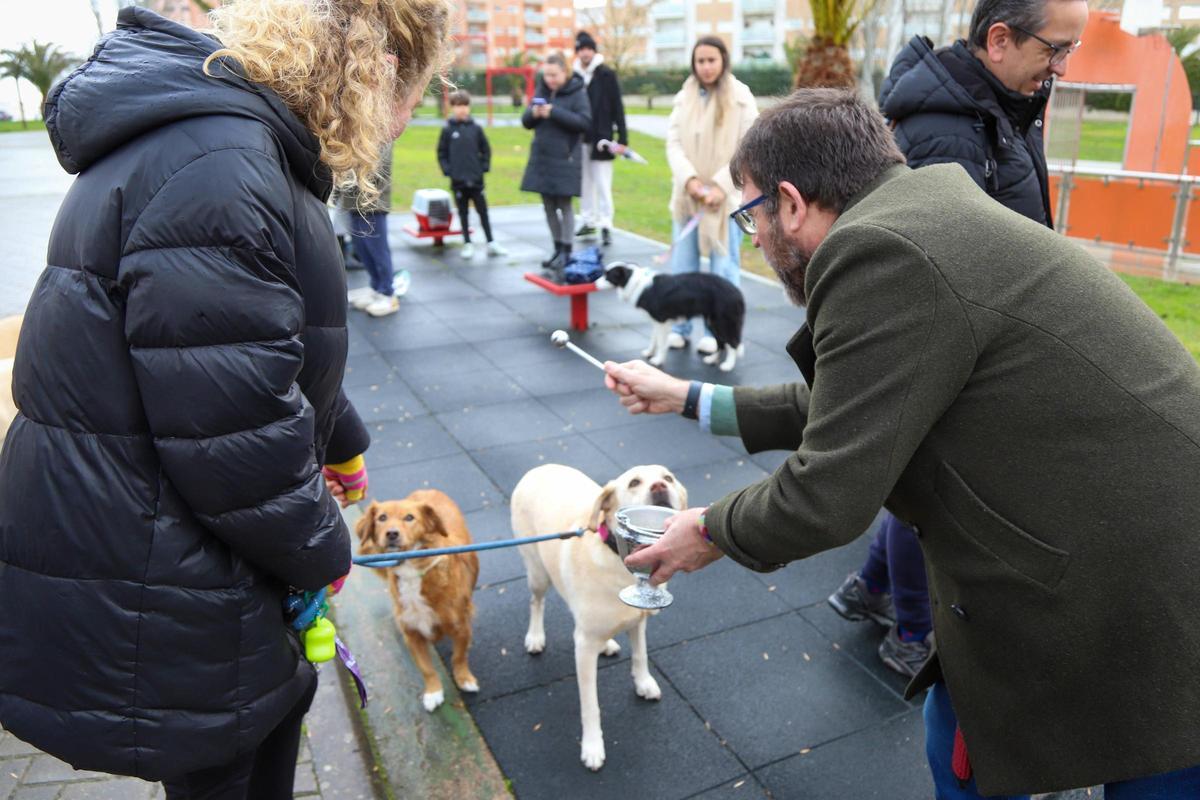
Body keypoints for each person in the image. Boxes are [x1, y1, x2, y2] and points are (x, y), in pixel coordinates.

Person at [603, 88, 1200, 798]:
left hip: (1143, 586)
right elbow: (861, 402)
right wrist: (690, 396)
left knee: (1137, 760)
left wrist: (704, 528)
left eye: (750, 213)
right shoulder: (920, 213)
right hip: (1123, 544)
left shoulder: (880, 251)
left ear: (790, 203)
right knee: (956, 733)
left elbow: (825, 498)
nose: (753, 236)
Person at [0, 1, 451, 797]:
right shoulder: (225, 166)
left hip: (167, 552)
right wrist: (324, 549)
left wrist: (341, 440)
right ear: (376, 69)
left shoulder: (228, 144)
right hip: (166, 571)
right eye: (414, 95)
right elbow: (230, 438)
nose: (405, 123)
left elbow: (244, 350)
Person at [827, 0, 1088, 679]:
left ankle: (870, 587)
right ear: (1000, 39)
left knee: (928, 479)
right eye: (1055, 49)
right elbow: (953, 269)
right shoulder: (948, 128)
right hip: (966, 345)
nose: (1060, 66)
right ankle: (911, 632)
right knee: (938, 499)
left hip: (992, 333)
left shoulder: (996, 103)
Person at [664, 36, 758, 358]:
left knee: (724, 270)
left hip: (726, 199)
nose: (705, 67)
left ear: (723, 61)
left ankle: (718, 331)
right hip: (688, 198)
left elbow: (748, 148)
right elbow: (673, 143)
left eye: (711, 60)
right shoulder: (683, 97)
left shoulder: (741, 98)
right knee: (682, 267)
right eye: (700, 61)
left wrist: (720, 185)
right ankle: (680, 327)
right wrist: (690, 181)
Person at [521, 51, 591, 275]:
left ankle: (567, 251)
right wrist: (535, 112)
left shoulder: (577, 92)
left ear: (565, 72)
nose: (549, 79)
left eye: (554, 75)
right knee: (548, 206)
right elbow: (525, 122)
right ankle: (557, 248)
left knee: (565, 205)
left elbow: (584, 122)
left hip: (565, 157)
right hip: (543, 157)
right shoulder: (542, 90)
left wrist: (554, 112)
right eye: (547, 74)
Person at [572, 30, 628, 248]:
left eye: (588, 49)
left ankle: (606, 223)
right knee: (584, 183)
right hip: (580, 138)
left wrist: (622, 137)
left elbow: (618, 107)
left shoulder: (606, 74)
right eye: (581, 49)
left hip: (602, 138)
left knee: (603, 183)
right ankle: (587, 220)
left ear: (593, 51)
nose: (585, 53)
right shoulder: (575, 76)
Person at [437, 89, 506, 260]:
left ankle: (491, 242)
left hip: (476, 180)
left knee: (483, 211)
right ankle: (467, 243)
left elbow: (486, 150)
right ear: (452, 107)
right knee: (463, 213)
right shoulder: (447, 130)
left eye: (465, 105)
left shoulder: (476, 129)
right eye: (458, 106)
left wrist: (483, 168)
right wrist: (448, 171)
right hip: (458, 181)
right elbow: (441, 153)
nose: (462, 109)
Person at [344, 146, 410, 317]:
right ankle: (377, 287)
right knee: (362, 249)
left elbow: (378, 169)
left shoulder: (379, 134)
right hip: (354, 202)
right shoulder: (356, 132)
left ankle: (388, 294)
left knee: (377, 250)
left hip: (372, 203)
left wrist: (347, 170)